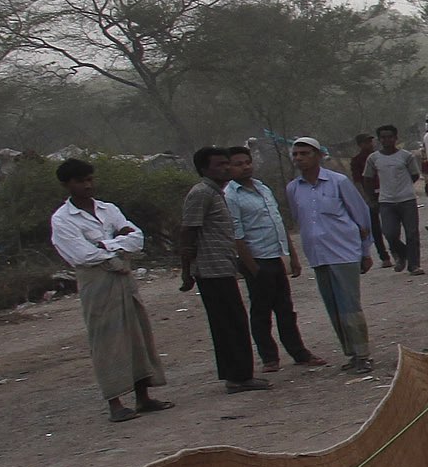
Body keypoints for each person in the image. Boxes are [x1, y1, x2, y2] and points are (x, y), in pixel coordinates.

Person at [51, 158, 171, 422]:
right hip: (97, 282)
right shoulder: (62, 220)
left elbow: (136, 238)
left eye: (89, 179)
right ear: (67, 184)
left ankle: (143, 396)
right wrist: (117, 243)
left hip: (123, 277)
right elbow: (82, 255)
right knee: (106, 340)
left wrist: (105, 244)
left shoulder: (107, 209)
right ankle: (115, 402)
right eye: (80, 181)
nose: (87, 185)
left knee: (137, 333)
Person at [272, 137, 376, 372]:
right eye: (296, 154)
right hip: (318, 255)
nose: (299, 158)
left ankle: (363, 354)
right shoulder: (293, 188)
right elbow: (301, 220)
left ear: (318, 155)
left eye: (305, 153)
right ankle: (351, 353)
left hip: (344, 251)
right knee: (334, 307)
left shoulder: (338, 182)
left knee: (349, 305)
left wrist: (365, 250)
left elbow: (361, 216)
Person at [224, 147, 316, 371]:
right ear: (229, 167)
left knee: (285, 308)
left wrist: (292, 256)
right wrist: (252, 267)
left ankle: (299, 352)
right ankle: (269, 357)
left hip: (275, 255)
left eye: (247, 162)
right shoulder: (231, 195)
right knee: (261, 310)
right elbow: (237, 235)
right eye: (239, 163)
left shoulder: (262, 188)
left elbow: (278, 223)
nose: (245, 166)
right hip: (256, 259)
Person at [175, 150, 258, 390]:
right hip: (211, 269)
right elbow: (187, 232)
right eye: (219, 165)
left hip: (222, 266)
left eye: (226, 164)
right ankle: (238, 377)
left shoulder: (216, 193)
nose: (226, 168)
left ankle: (239, 374)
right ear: (204, 169)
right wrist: (186, 271)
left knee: (232, 321)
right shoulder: (201, 194)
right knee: (230, 322)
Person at [366, 123, 425, 274]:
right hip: (386, 201)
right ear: (379, 140)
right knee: (389, 233)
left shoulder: (406, 156)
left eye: (390, 137)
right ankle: (402, 253)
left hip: (407, 199)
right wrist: (372, 198)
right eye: (383, 138)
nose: (387, 140)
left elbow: (414, 175)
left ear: (396, 138)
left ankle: (414, 265)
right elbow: (367, 178)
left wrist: (403, 187)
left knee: (412, 233)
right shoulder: (374, 158)